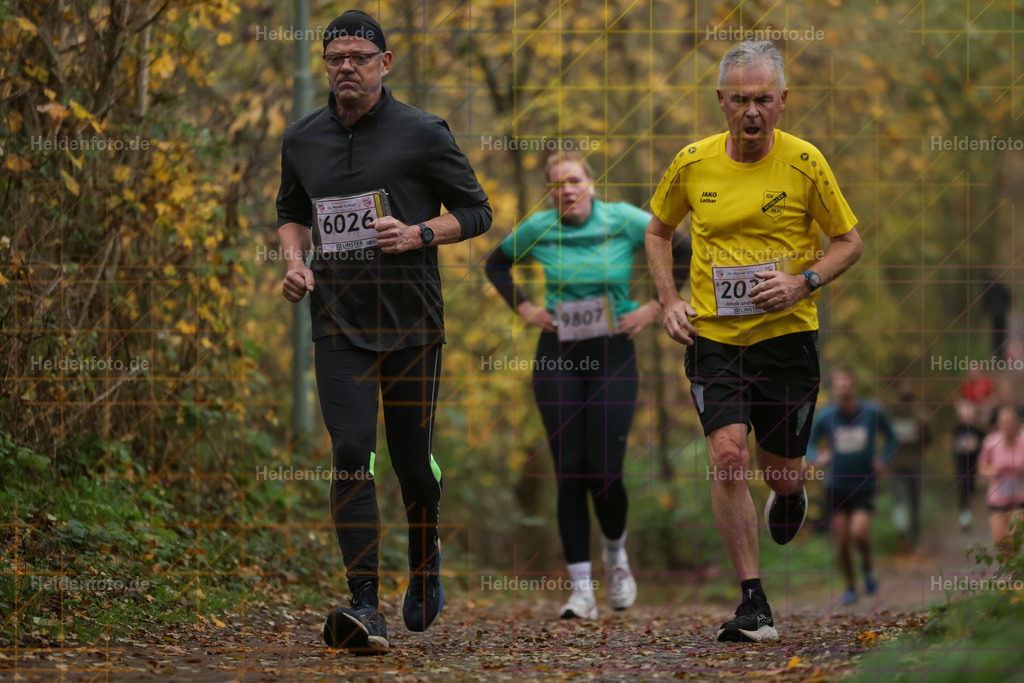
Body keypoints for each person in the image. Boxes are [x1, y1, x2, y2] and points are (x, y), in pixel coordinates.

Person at [276, 10, 492, 655]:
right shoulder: (302, 138)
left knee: (411, 464)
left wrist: (421, 233)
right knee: (349, 452)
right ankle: (365, 605)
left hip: (411, 325)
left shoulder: (423, 132)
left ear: (385, 63)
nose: (347, 67)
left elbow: (478, 211)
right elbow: (292, 211)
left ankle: (424, 555)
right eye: (336, 57)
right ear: (325, 64)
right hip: (338, 322)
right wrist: (294, 261)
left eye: (359, 58)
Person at [645, 40, 862, 642]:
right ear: (720, 100)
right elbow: (657, 232)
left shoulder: (805, 163)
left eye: (763, 99)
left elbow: (849, 240)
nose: (751, 112)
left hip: (787, 338)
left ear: (783, 100)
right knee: (728, 457)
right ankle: (753, 602)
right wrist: (668, 301)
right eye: (739, 99)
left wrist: (804, 281)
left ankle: (788, 495)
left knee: (782, 473)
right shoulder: (692, 163)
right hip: (715, 337)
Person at [485, 151, 690, 619]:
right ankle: (581, 589)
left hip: (613, 352)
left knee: (605, 470)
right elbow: (495, 265)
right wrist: (527, 309)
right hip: (558, 353)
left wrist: (657, 306)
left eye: (574, 180)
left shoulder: (620, 219)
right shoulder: (539, 228)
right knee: (569, 470)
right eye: (556, 184)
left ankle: (616, 556)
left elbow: (679, 246)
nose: (566, 190)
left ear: (591, 184)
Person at [807, 368, 897, 606]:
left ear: (853, 388)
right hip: (837, 486)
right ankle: (849, 587)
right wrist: (817, 456)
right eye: (839, 389)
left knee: (858, 533)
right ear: (834, 391)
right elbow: (808, 442)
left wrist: (883, 460)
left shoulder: (871, 412)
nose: (843, 393)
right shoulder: (827, 416)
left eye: (846, 388)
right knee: (842, 543)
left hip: (864, 484)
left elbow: (892, 437)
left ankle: (867, 569)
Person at [886, 380, 930, 552]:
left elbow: (928, 434)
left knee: (910, 504)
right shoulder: (897, 413)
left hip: (912, 465)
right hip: (901, 465)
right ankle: (905, 539)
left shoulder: (915, 413)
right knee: (905, 503)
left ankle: (912, 540)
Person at [978, 405, 1024, 549]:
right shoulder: (990, 441)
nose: (1008, 424)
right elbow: (981, 467)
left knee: (1014, 540)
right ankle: (1007, 569)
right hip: (997, 497)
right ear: (998, 423)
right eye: (1004, 421)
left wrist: (1018, 469)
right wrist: (995, 470)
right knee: (1000, 542)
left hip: (1019, 497)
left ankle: (1014, 571)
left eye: (1011, 421)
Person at [952, 400, 986, 531]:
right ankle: (964, 518)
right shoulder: (957, 429)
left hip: (974, 467)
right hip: (961, 466)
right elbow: (954, 447)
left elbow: (985, 446)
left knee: (971, 490)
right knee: (963, 491)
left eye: (968, 415)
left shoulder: (977, 430)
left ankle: (968, 515)